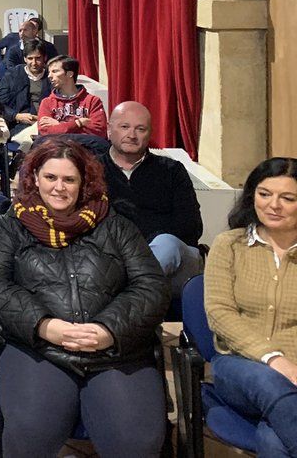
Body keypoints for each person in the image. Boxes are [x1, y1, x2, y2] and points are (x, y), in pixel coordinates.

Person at [0, 137, 170, 458]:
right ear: (34, 178)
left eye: (69, 179)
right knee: (29, 437)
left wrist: (108, 330)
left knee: (137, 444)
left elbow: (151, 286)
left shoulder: (115, 224)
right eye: (51, 177)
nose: (59, 187)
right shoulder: (12, 224)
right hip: (39, 348)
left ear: (83, 183)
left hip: (115, 352)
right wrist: (43, 325)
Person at [205, 156, 297, 457]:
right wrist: (274, 359)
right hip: (238, 366)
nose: (273, 205)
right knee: (268, 381)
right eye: (264, 194)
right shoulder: (229, 245)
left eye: (288, 198)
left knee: (273, 441)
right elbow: (220, 314)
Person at [101, 101, 202, 296]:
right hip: (113, 260)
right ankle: (131, 300)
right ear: (109, 130)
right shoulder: (92, 170)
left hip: (175, 261)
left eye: (140, 129)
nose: (132, 135)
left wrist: (139, 248)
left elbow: (191, 227)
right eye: (124, 127)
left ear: (149, 133)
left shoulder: (172, 171)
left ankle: (125, 295)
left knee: (166, 243)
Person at [38, 55, 108, 139]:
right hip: (57, 149)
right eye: (49, 72)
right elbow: (45, 132)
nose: (49, 76)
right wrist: (78, 123)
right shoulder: (47, 102)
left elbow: (99, 132)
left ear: (70, 74)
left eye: (55, 71)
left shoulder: (93, 101)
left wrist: (59, 126)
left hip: (85, 148)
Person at [0, 38, 50, 137]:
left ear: (44, 58)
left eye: (38, 58)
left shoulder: (51, 76)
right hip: (20, 123)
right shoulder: (13, 75)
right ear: (25, 59)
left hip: (46, 123)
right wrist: (16, 116)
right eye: (30, 58)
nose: (34, 63)